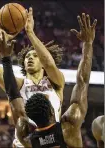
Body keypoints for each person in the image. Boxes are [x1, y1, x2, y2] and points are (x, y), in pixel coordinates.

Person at [0, 7, 65, 147]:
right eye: (27, 57)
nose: (30, 58)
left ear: (42, 63)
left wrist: (30, 33)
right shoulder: (19, 84)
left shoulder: (56, 82)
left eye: (35, 56)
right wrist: (5, 36)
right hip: (24, 144)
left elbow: (50, 64)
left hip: (50, 142)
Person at [16, 13, 97, 147]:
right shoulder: (68, 129)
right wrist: (88, 43)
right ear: (52, 111)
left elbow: (21, 121)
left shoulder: (26, 139)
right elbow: (82, 80)